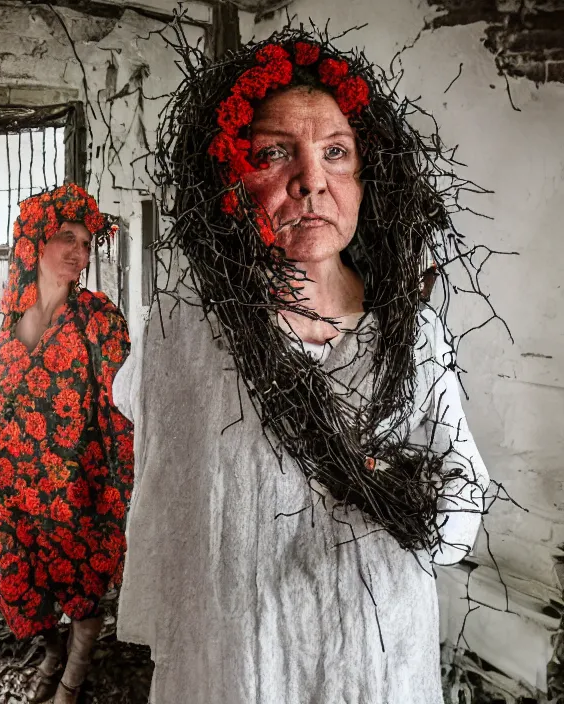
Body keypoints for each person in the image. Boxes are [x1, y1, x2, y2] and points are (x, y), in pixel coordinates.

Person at [114, 30, 491, 704]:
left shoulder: (413, 336)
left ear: (364, 176)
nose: (312, 180)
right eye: (275, 153)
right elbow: (145, 425)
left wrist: (414, 495)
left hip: (376, 669)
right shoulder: (187, 331)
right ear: (232, 176)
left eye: (336, 153)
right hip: (244, 661)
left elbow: (462, 495)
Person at [0, 183, 133, 704]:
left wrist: (113, 485)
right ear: (36, 240)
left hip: (73, 489)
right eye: (67, 236)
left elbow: (123, 405)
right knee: (20, 584)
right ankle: (50, 651)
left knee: (83, 590)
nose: (79, 251)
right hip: (10, 492)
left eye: (86, 242)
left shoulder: (99, 319)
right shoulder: (1, 322)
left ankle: (71, 680)